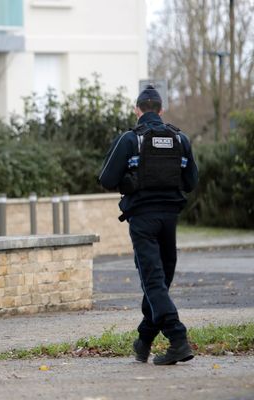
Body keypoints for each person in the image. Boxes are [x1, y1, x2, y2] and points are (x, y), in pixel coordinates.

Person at [98, 85, 199, 365]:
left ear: (137, 110)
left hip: (143, 220)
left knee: (154, 283)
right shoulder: (181, 139)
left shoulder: (131, 139)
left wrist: (128, 180)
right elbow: (191, 182)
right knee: (160, 283)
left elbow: (106, 179)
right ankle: (143, 342)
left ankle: (178, 339)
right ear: (161, 110)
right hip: (170, 219)